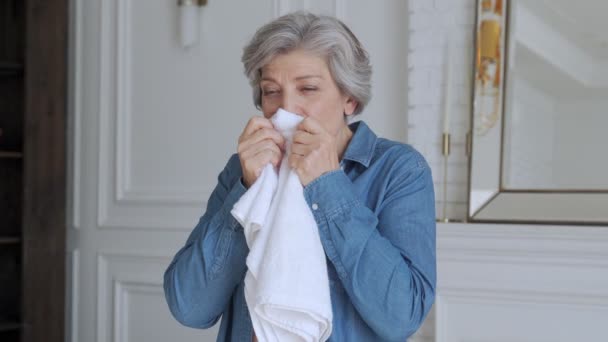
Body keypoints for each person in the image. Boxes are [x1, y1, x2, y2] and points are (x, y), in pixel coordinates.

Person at [163, 11, 436, 342]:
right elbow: (189, 307)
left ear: (349, 98)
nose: (286, 109)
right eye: (271, 91)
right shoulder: (243, 169)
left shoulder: (399, 170)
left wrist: (328, 186)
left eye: (307, 88)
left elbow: (402, 316)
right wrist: (247, 190)